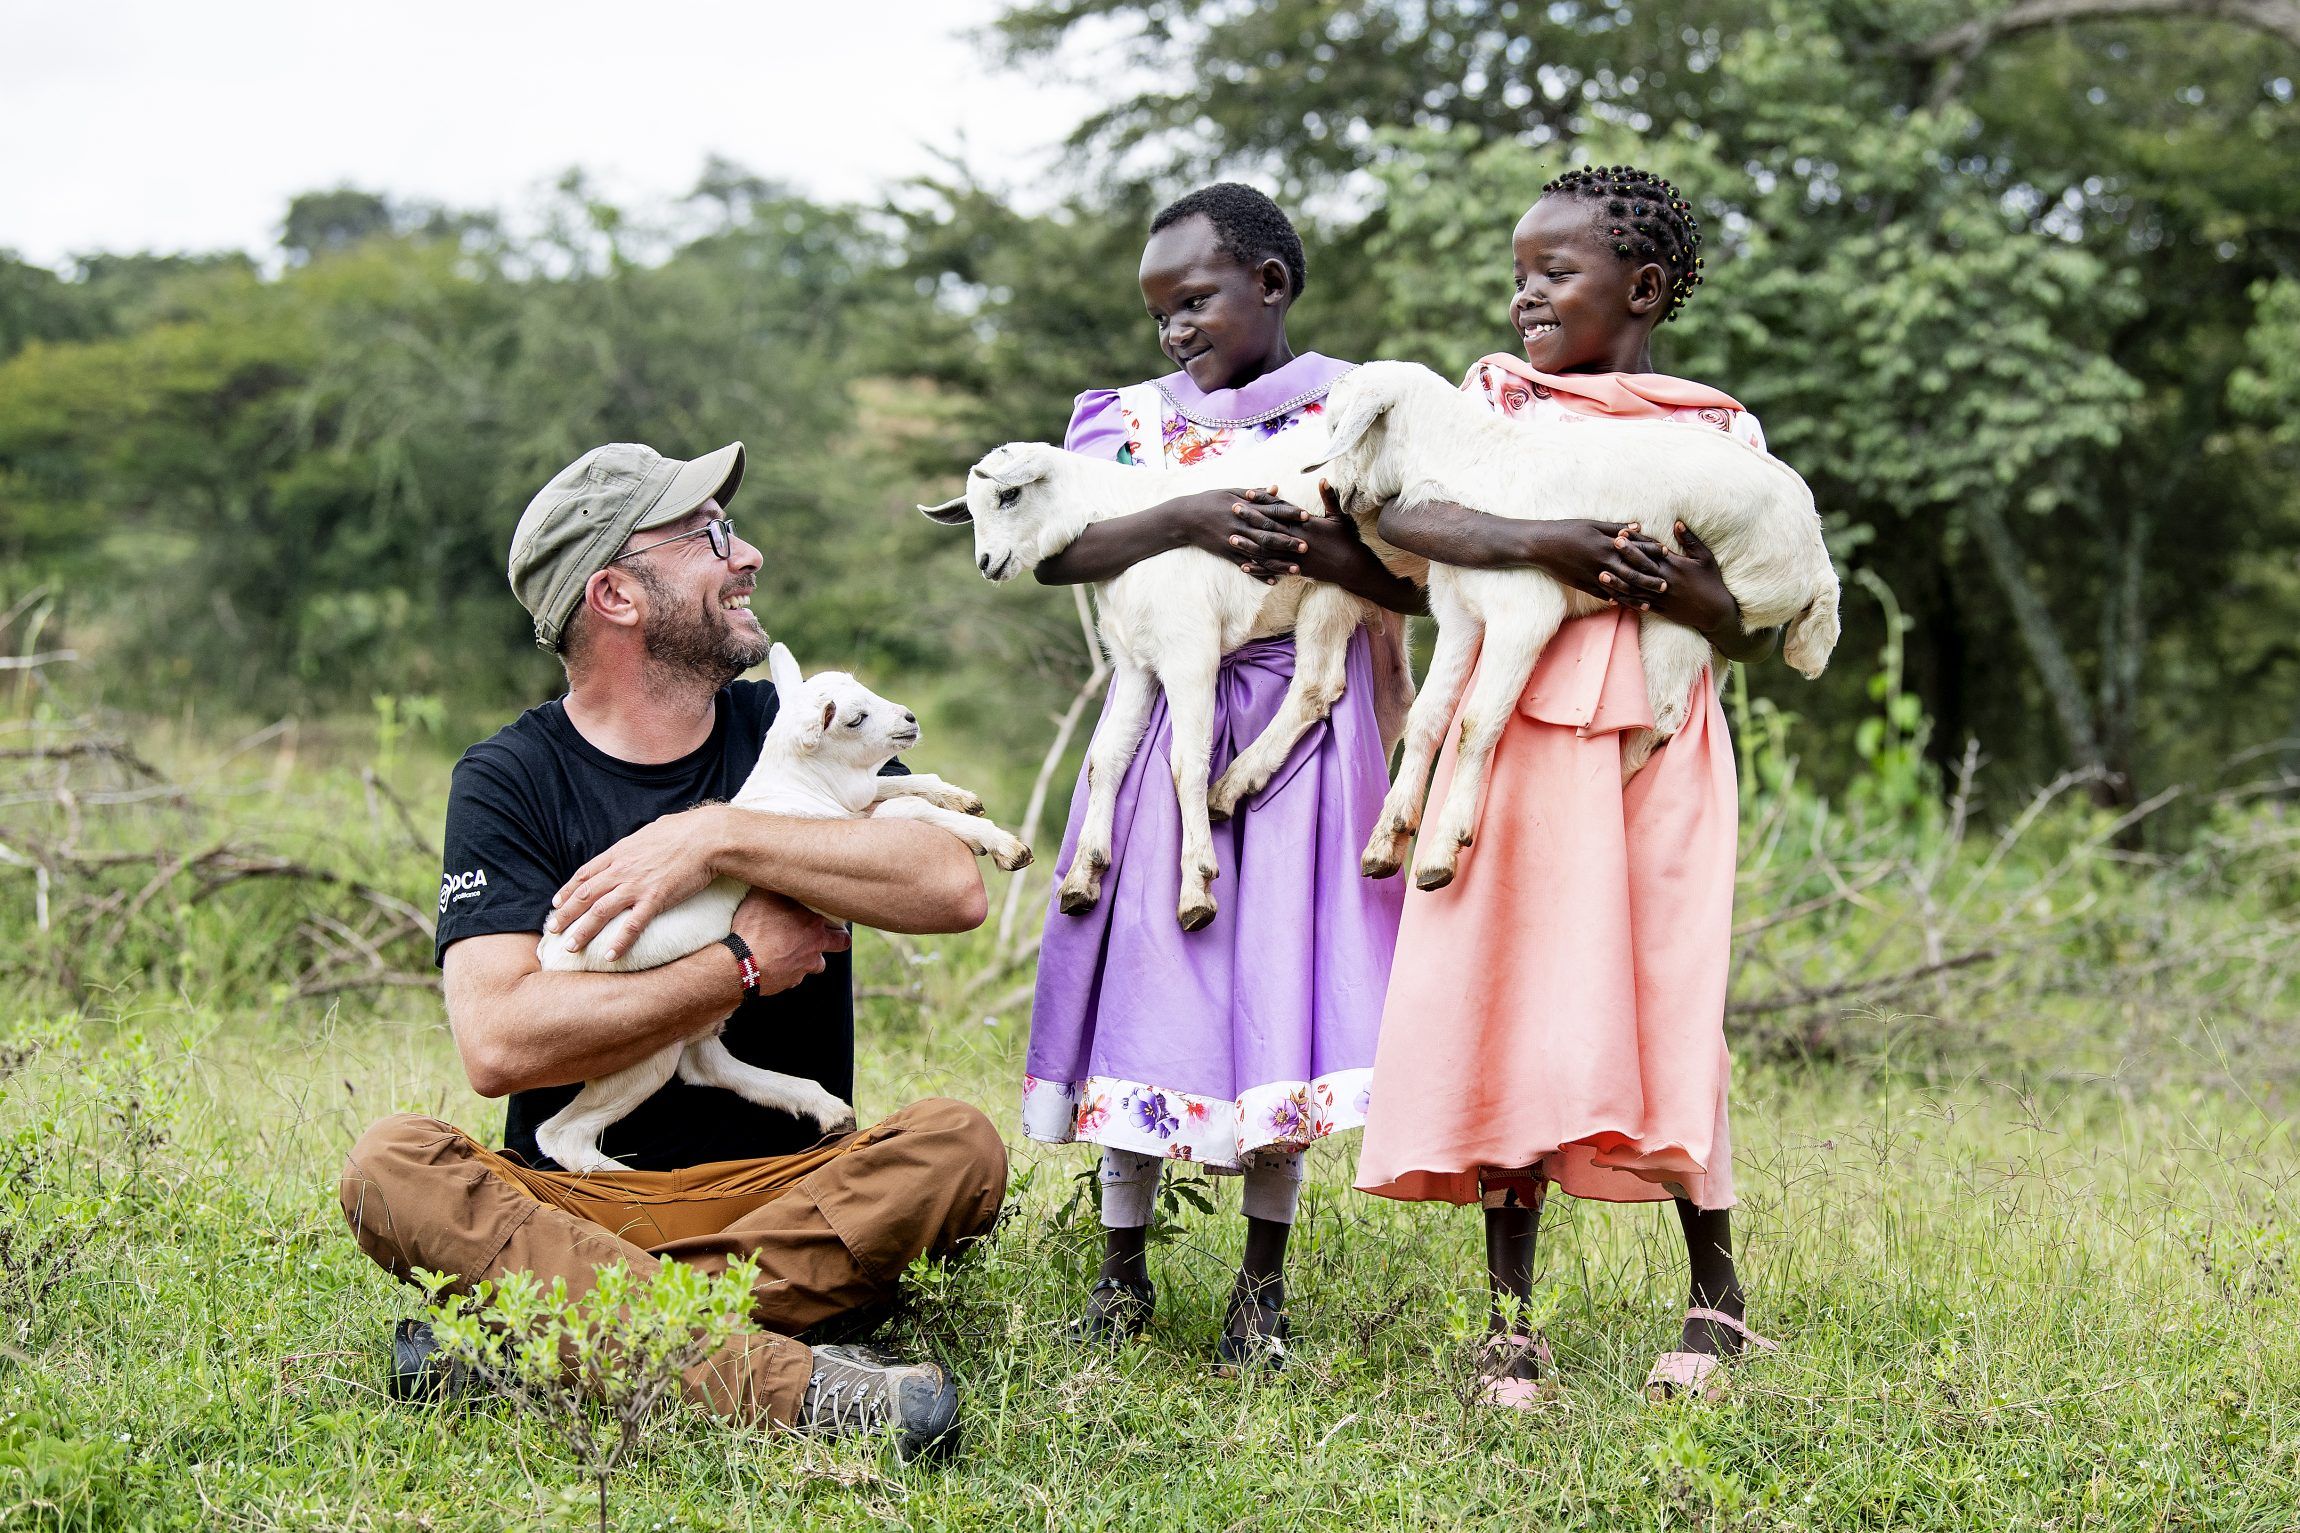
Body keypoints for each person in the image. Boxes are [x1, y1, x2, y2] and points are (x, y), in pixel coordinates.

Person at [338, 441, 1007, 1462]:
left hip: (782, 1192)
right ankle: (803, 1388)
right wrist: (734, 964)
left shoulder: (786, 730)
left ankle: (542, 1348)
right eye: (709, 537)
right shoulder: (509, 778)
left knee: (955, 1146)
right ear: (615, 593)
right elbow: (499, 1044)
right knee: (392, 1166)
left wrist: (717, 834)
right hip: (571, 1203)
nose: (748, 558)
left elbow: (950, 885)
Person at [1353, 165, 1782, 1403]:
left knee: (1664, 994)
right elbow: (1412, 517)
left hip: (1650, 742)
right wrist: (1547, 540)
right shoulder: (1492, 401)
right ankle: (1507, 1322)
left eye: (1556, 274)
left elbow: (1746, 615)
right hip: (1507, 735)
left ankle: (1715, 1298)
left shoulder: (1710, 434)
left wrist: (1657, 579)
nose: (1525, 296)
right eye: (1518, 275)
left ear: (1640, 290)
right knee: (1500, 992)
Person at [1021, 184, 1422, 1366]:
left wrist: (1308, 544)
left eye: (1193, 301)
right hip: (1164, 731)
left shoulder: (1357, 409)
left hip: (1300, 735)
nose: (1173, 331)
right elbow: (1060, 551)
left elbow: (1403, 578)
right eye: (1157, 312)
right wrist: (1188, 513)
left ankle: (1262, 1287)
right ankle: (1120, 1266)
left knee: (1271, 994)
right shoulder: (1128, 422)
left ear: (1271, 285)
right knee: (1151, 970)